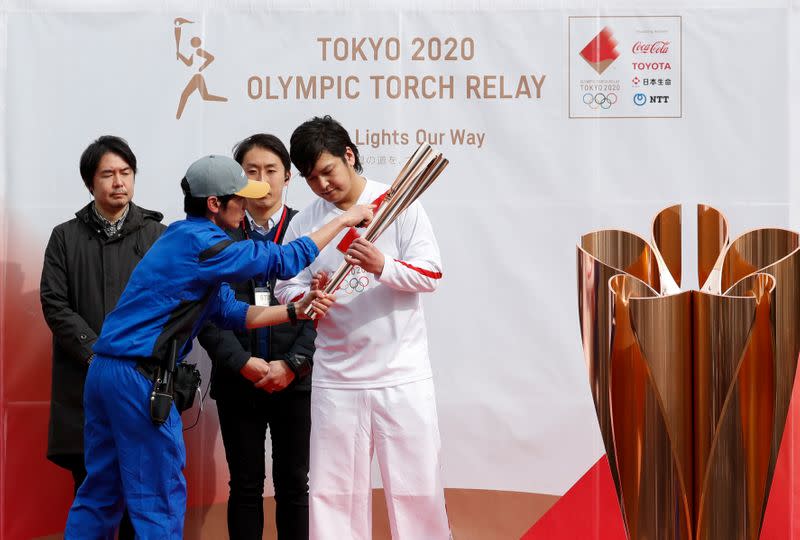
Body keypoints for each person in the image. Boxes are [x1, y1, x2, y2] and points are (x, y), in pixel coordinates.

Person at [64, 154, 373, 539]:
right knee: (159, 498)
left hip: (106, 373)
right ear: (215, 203)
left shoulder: (180, 238)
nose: (248, 206)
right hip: (137, 380)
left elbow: (232, 312)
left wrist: (297, 309)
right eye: (240, 198)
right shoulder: (203, 242)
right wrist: (344, 219)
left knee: (101, 493)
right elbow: (284, 259)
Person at [276, 116, 451, 539]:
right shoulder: (306, 223)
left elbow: (431, 274)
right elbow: (286, 285)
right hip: (337, 378)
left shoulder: (400, 203)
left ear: (349, 156)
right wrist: (306, 297)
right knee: (333, 496)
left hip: (401, 375)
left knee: (417, 493)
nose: (321, 184)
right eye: (310, 178)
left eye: (327, 171)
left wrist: (383, 266)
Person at [40, 135, 163, 539]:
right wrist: (98, 356)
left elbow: (173, 304)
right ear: (90, 183)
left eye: (125, 173)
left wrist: (133, 358)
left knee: (139, 502)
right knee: (92, 494)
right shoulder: (65, 237)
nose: (118, 182)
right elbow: (55, 305)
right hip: (85, 385)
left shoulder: (156, 236)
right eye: (107, 174)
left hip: (141, 384)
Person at [198, 134, 314, 539]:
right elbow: (205, 313)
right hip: (238, 381)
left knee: (294, 487)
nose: (262, 180)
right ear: (238, 182)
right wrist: (241, 362)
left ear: (288, 177)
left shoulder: (308, 229)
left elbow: (325, 305)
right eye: (251, 172)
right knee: (245, 487)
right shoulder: (217, 233)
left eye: (271, 171)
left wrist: (294, 364)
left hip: (295, 382)